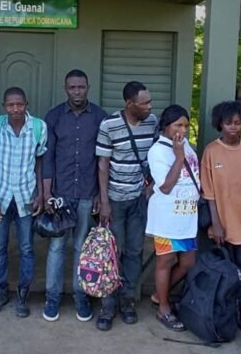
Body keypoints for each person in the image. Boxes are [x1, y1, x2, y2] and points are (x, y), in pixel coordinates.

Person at [42, 70, 108, 321]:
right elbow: (47, 158)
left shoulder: (100, 118)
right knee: (57, 247)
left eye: (81, 87)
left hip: (87, 194)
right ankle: (52, 298)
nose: (77, 91)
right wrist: (47, 194)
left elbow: (104, 159)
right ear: (65, 88)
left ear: (88, 87)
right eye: (72, 87)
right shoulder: (54, 117)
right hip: (60, 195)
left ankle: (81, 297)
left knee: (82, 248)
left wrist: (101, 197)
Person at [95, 81, 158, 330]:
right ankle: (107, 305)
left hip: (139, 201)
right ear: (130, 104)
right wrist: (105, 201)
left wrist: (150, 186)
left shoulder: (152, 122)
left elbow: (157, 156)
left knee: (134, 252)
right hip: (115, 201)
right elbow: (103, 164)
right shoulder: (109, 125)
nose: (150, 106)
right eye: (145, 103)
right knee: (112, 254)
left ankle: (127, 301)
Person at [0, 87, 47, 318]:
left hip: (26, 196)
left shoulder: (38, 127)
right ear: (4, 106)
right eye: (10, 105)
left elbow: (40, 162)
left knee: (27, 248)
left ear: (26, 103)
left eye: (19, 104)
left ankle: (22, 295)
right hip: (0, 196)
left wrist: (40, 192)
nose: (15, 109)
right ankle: (0, 292)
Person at [200, 100, 241, 331]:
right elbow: (209, 193)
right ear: (219, 125)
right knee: (226, 274)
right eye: (228, 123)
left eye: (237, 123)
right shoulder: (211, 151)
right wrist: (216, 225)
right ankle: (225, 315)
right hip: (222, 225)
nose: (233, 127)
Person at [146, 105, 200, 332]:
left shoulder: (186, 145)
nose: (183, 130)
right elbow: (166, 186)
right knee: (165, 262)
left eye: (186, 125)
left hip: (187, 216)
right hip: (167, 218)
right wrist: (178, 157)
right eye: (178, 125)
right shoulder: (158, 151)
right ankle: (164, 309)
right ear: (166, 126)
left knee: (188, 262)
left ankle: (160, 294)